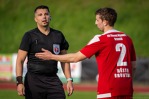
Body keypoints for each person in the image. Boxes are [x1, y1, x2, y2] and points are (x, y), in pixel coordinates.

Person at [35, 7, 136, 99]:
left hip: (108, 90)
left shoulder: (100, 39)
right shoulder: (127, 38)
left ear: (105, 22)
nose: (95, 23)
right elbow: (133, 67)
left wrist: (52, 56)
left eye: (97, 20)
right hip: (127, 89)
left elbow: (75, 58)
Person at [16, 5, 73, 99]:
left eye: (46, 14)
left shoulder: (58, 35)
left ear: (50, 16)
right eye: (40, 15)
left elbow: (65, 60)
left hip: (53, 80)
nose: (44, 17)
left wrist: (69, 80)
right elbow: (20, 60)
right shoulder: (29, 36)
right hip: (33, 81)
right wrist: (19, 82)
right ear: (35, 19)